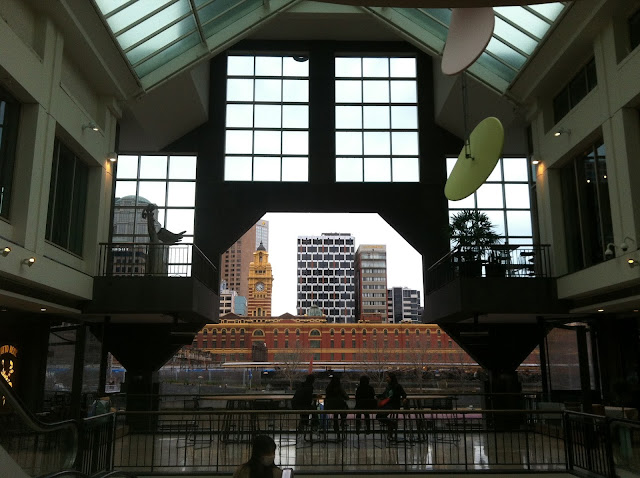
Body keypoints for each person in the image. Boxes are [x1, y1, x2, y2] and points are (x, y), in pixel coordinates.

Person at [376, 372, 407, 439]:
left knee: (380, 415)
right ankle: (392, 424)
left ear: (391, 378)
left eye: (387, 377)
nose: (386, 379)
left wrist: (404, 398)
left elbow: (403, 394)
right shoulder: (389, 387)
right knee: (379, 415)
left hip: (393, 405)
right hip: (388, 404)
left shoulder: (397, 386)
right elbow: (384, 395)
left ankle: (391, 425)